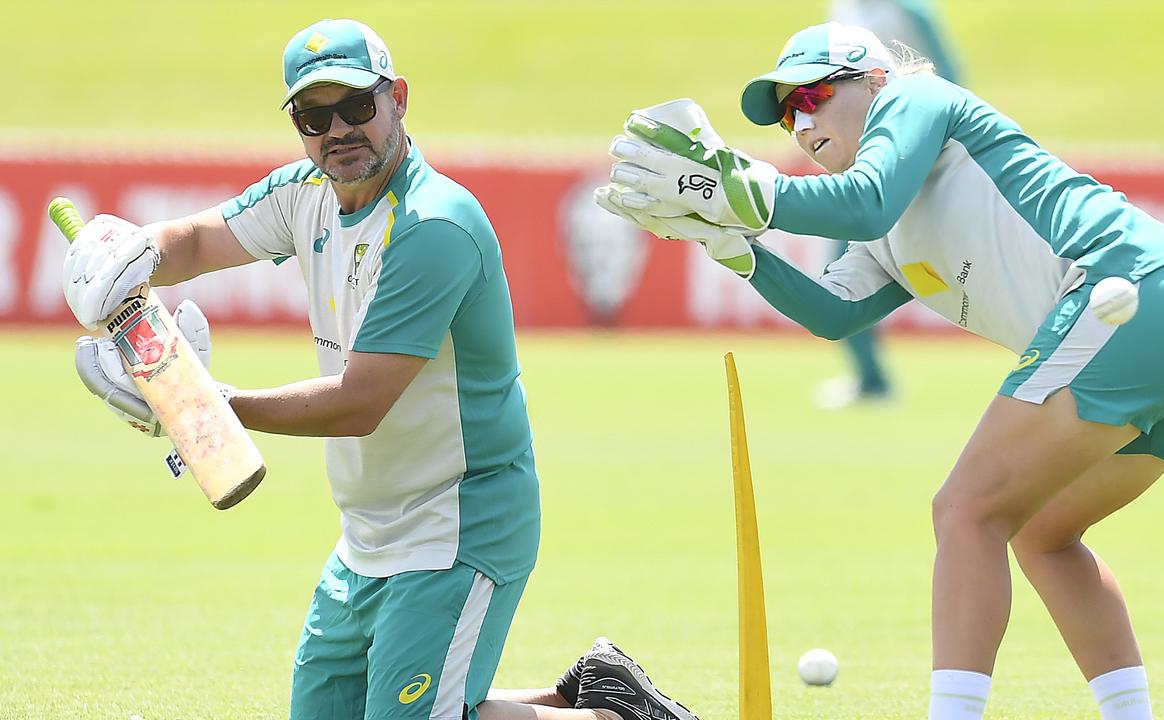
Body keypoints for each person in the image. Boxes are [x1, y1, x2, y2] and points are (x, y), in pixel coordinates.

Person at [597, 21, 1164, 720]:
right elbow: (834, 312)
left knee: (966, 511)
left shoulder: (915, 98)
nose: (801, 122)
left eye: (813, 94)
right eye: (787, 114)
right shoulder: (870, 216)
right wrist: (728, 243)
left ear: (871, 80)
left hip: (1133, 291)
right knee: (1042, 533)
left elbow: (866, 197)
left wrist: (739, 190)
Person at [61, 18, 697, 720]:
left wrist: (205, 404)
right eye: (313, 115)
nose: (337, 130)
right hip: (367, 532)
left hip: (459, 522)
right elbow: (199, 240)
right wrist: (135, 253)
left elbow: (361, 402)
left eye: (357, 106)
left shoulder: (433, 227)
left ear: (397, 97)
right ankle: (596, 694)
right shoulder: (304, 191)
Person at [814, 0, 967, 407]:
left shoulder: (910, 10)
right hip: (865, 159)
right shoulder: (842, 7)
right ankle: (870, 378)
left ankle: (872, 380)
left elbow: (950, 78)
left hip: (911, 157)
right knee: (842, 267)